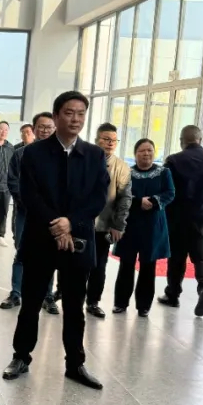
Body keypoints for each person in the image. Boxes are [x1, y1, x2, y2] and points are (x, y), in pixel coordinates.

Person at [2, 91, 108, 390]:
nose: (76, 119)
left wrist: (70, 223)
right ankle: (21, 356)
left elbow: (98, 197)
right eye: (69, 113)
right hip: (41, 238)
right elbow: (29, 194)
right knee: (31, 303)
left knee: (74, 306)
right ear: (57, 115)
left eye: (81, 114)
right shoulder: (34, 153)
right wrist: (58, 227)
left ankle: (75, 363)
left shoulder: (94, 155)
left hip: (79, 240)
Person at [159, 125, 203, 316]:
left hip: (178, 219)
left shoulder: (173, 161)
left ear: (182, 141)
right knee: (202, 256)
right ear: (200, 139)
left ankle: (173, 294)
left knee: (177, 257)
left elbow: (165, 190)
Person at [112, 139, 174, 316]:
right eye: (142, 150)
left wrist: (153, 201)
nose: (146, 153)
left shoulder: (164, 172)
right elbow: (119, 194)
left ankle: (144, 306)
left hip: (153, 226)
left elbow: (170, 193)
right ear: (135, 154)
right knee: (126, 265)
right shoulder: (127, 172)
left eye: (149, 150)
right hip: (130, 225)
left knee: (148, 266)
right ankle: (121, 303)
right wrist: (138, 201)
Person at [1, 112, 55, 311]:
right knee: (22, 252)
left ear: (55, 128)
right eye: (41, 127)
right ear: (34, 129)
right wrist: (29, 203)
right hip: (26, 212)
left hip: (51, 214)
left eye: (49, 127)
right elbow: (13, 181)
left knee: (49, 255)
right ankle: (16, 293)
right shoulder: (20, 154)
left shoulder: (61, 154)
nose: (45, 130)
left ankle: (47, 296)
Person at [87, 123, 132, 318]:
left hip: (104, 225)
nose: (110, 143)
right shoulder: (84, 160)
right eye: (106, 139)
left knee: (99, 266)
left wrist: (118, 225)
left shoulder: (121, 167)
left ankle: (93, 301)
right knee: (73, 263)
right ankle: (66, 293)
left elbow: (125, 198)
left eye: (114, 140)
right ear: (96, 140)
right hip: (80, 223)